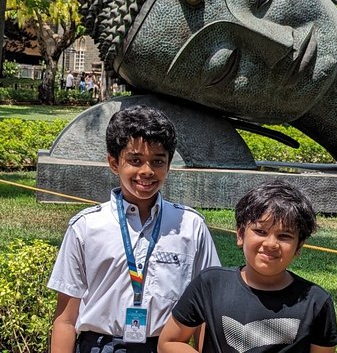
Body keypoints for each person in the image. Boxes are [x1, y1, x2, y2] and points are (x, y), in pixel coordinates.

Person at [48, 105, 220, 353]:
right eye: (135, 160)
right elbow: (65, 319)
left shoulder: (191, 227)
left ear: (169, 165)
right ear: (114, 163)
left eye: (157, 161)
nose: (146, 171)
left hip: (165, 346)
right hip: (100, 345)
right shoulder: (85, 227)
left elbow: (205, 313)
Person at [159, 180, 337, 353]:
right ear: (240, 235)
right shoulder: (211, 284)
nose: (271, 244)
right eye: (260, 231)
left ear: (299, 246)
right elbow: (169, 342)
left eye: (284, 236)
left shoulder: (316, 302)